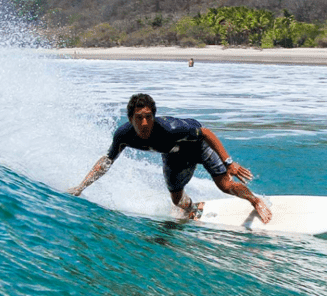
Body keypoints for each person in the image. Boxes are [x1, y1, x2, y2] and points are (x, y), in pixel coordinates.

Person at [68, 93, 272, 223]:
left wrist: (229, 162)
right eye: (139, 118)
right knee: (177, 201)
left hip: (198, 147)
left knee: (225, 185)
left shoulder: (171, 128)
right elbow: (106, 162)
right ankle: (193, 208)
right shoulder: (124, 135)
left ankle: (255, 201)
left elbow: (207, 133)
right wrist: (81, 186)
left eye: (149, 116)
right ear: (130, 118)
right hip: (173, 156)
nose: (145, 122)